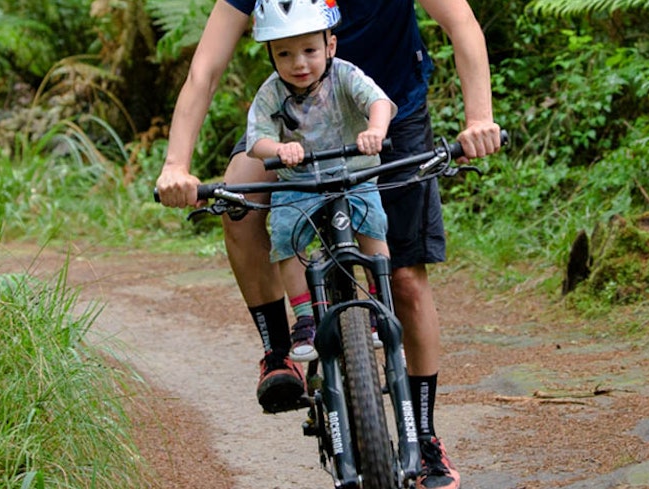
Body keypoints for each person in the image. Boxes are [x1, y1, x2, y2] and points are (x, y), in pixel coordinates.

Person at [155, 1, 501, 487]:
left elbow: (460, 22)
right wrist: (176, 164)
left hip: (385, 118)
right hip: (293, 128)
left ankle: (423, 436)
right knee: (239, 203)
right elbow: (205, 70)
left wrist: (479, 118)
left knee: (406, 279)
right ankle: (281, 350)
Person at [246, 0, 395, 366]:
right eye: (284, 54)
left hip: (353, 174)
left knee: (373, 225)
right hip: (299, 182)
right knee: (285, 235)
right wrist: (279, 149)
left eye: (309, 51)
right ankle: (305, 320)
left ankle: (380, 302)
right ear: (271, 55)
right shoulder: (270, 92)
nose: (299, 63)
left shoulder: (345, 75)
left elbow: (378, 102)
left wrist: (375, 131)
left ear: (330, 46)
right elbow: (257, 139)